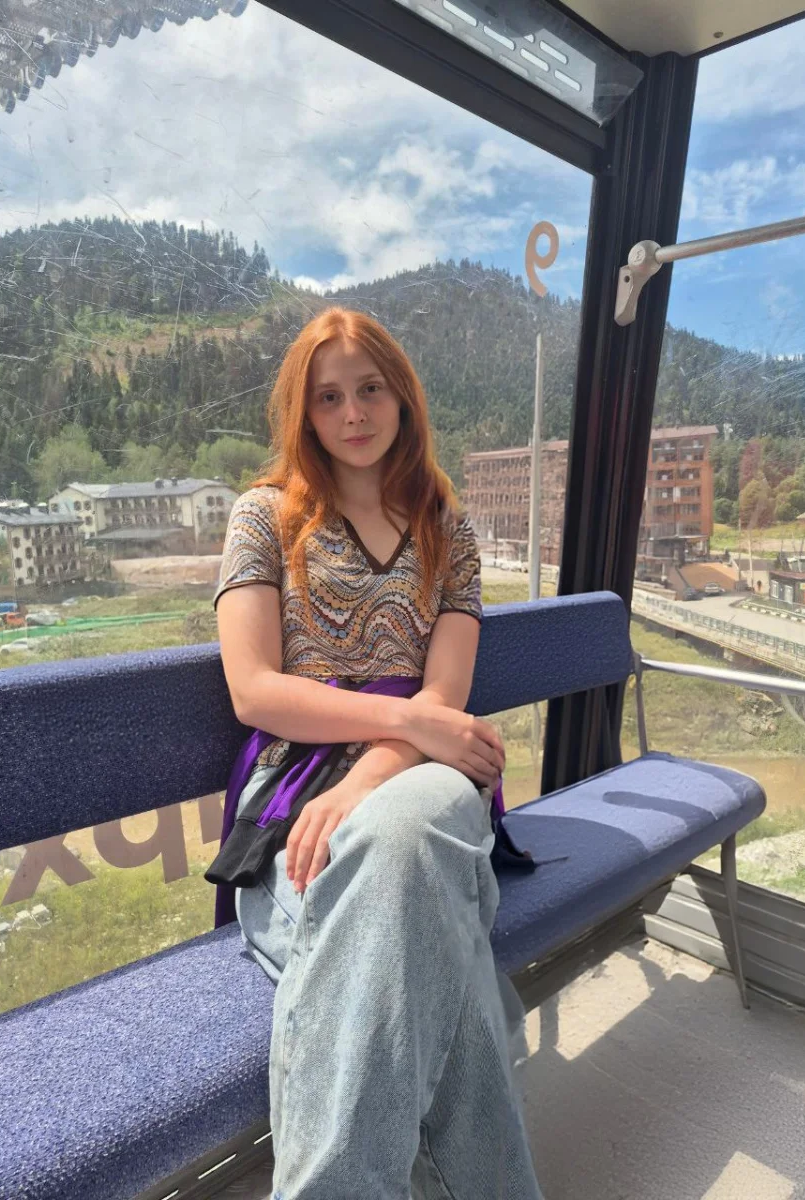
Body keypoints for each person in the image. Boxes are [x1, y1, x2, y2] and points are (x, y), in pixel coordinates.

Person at [206, 307, 543, 1199]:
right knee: (426, 950)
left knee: (399, 841)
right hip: (298, 782)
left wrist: (371, 774)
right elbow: (254, 690)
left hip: (423, 775)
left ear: (403, 396)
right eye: (328, 397)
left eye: (369, 389)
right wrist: (407, 728)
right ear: (303, 412)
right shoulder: (264, 517)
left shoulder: (446, 529)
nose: (352, 413)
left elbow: (445, 697)